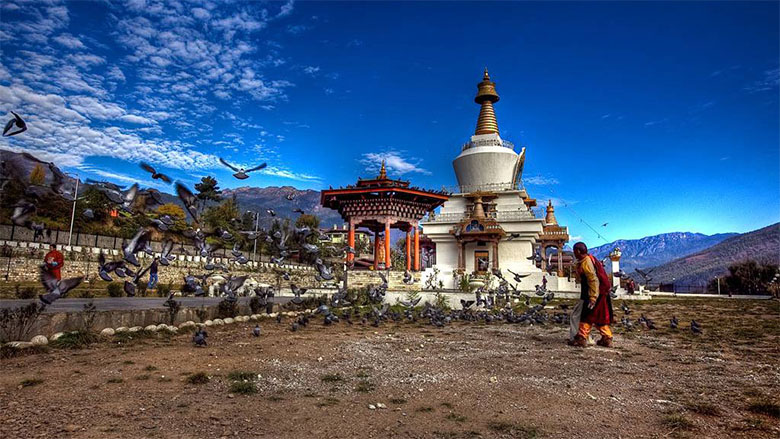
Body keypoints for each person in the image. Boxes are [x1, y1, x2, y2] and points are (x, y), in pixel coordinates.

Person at [569, 242, 615, 348]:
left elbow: (593, 280)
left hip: (595, 292)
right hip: (602, 292)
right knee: (600, 316)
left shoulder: (586, 262)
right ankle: (607, 337)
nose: (574, 253)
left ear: (578, 251)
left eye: (575, 251)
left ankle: (581, 338)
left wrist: (593, 297)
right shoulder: (588, 259)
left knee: (588, 315)